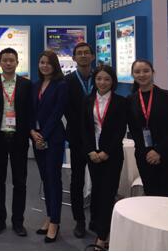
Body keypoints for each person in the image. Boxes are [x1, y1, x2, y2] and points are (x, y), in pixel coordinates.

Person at [0, 47, 32, 237]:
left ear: (17, 62)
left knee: (20, 182)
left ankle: (18, 222)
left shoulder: (27, 85)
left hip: (19, 138)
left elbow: (29, 113)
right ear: (0, 63)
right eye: (5, 60)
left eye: (12, 60)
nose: (8, 63)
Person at [81, 65, 127, 251]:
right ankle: (98, 224)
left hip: (112, 155)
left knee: (108, 193)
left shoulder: (120, 102)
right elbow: (84, 129)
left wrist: (106, 151)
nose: (102, 82)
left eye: (107, 79)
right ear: (95, 80)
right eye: (99, 78)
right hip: (93, 154)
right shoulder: (88, 100)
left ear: (113, 81)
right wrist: (90, 150)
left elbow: (120, 130)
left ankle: (102, 237)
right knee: (97, 191)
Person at [127, 59, 168, 197]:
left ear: (153, 72)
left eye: (146, 71)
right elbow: (134, 131)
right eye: (137, 72)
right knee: (150, 195)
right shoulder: (130, 100)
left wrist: (158, 151)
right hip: (144, 155)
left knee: (167, 196)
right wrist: (148, 152)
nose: (142, 74)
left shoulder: (167, 96)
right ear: (133, 75)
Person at [30, 50, 67, 243]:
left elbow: (57, 112)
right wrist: (32, 131)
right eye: (42, 62)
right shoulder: (35, 85)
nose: (45, 65)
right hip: (36, 137)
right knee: (45, 178)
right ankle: (49, 215)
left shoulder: (61, 85)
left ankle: (55, 222)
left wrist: (43, 135)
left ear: (55, 65)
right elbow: (30, 111)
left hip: (53, 139)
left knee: (54, 179)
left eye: (48, 63)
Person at [64, 42, 95, 237]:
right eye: (79, 53)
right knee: (77, 180)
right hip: (77, 138)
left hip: (98, 138)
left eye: (86, 53)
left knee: (99, 180)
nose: (83, 56)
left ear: (92, 56)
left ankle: (97, 219)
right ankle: (79, 221)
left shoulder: (101, 77)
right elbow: (66, 109)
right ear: (74, 58)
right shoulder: (67, 81)